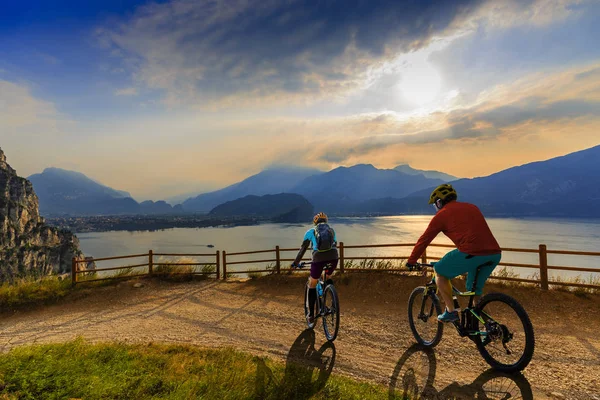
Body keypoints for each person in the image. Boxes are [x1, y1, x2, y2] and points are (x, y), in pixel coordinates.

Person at [406, 184, 502, 323]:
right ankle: (491, 326)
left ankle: (451, 311)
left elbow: (424, 240)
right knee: (474, 291)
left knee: (439, 270)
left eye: (435, 204)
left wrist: (411, 261)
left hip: (471, 253)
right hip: (494, 254)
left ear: (439, 202)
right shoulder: (472, 207)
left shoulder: (442, 214)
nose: (435, 207)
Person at [291, 212, 339, 327]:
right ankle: (331, 296)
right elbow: (334, 245)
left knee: (312, 283)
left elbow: (302, 249)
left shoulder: (310, 232)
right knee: (327, 276)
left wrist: (295, 263)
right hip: (333, 257)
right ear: (326, 222)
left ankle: (311, 315)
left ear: (315, 222)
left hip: (318, 259)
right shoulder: (331, 231)